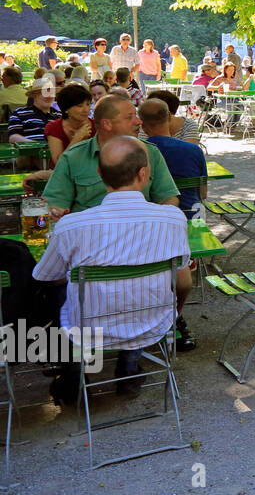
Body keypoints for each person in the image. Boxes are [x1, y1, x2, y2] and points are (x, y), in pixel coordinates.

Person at [37, 135, 197, 404]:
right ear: (144, 174)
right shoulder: (172, 219)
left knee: (58, 288)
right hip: (152, 324)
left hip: (88, 328)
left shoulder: (72, 226)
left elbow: (44, 276)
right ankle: (129, 369)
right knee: (144, 288)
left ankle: (74, 374)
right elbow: (180, 268)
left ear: (100, 174)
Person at [41, 95, 179, 216]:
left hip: (139, 234)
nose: (139, 122)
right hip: (90, 236)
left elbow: (168, 197)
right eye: (129, 117)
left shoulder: (150, 152)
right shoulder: (73, 157)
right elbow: (54, 203)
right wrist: (56, 212)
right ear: (107, 124)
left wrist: (159, 218)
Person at [139, 97, 207, 216]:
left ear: (143, 126)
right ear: (170, 117)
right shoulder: (194, 150)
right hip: (192, 213)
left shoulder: (139, 153)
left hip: (153, 215)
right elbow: (203, 193)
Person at [45, 83, 94, 166]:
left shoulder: (97, 126)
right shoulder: (54, 128)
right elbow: (59, 164)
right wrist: (77, 139)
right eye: (80, 106)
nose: (86, 110)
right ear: (66, 109)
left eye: (88, 104)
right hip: (62, 176)